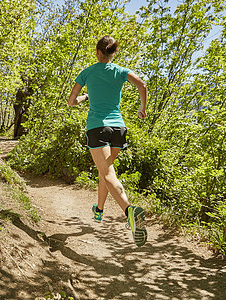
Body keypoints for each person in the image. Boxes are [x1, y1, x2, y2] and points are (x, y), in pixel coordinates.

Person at [68, 35, 148, 247]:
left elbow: (71, 102)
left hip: (98, 127)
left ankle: (129, 211)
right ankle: (99, 210)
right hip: (118, 129)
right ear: (114, 53)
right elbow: (142, 85)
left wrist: (85, 97)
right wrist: (143, 108)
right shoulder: (120, 71)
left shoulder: (87, 72)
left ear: (97, 52)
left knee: (108, 173)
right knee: (106, 170)